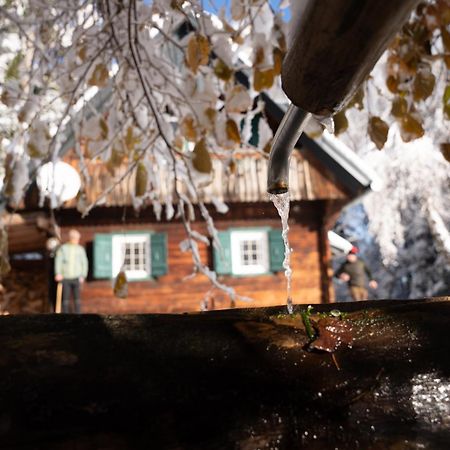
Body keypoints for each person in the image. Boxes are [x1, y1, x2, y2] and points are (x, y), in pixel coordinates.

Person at [54, 229, 88, 313]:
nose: (77, 240)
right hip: (65, 277)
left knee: (77, 298)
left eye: (78, 239)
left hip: (77, 277)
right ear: (71, 238)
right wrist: (58, 273)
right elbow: (58, 261)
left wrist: (83, 275)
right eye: (76, 239)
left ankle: (78, 315)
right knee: (65, 298)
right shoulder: (63, 248)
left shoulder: (80, 249)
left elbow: (84, 262)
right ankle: (65, 315)